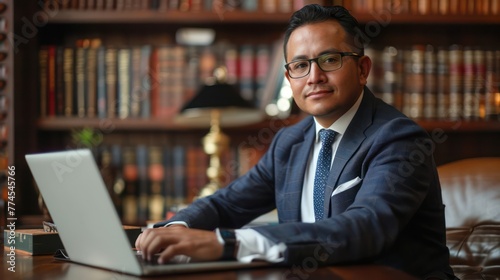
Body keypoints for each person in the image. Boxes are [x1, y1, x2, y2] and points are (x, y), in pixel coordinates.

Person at [136, 4, 456, 279]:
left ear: (362, 69)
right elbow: (228, 203)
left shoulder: (399, 138)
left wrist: (228, 243)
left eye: (329, 60)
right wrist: (174, 229)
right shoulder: (289, 142)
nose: (314, 76)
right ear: (289, 79)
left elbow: (366, 228)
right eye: (301, 66)